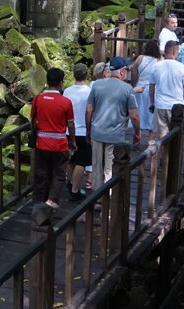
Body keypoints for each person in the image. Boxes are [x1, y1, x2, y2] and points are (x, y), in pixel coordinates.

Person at [85, 54, 140, 183]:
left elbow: (89, 109)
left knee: (97, 169)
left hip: (97, 133)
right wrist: (137, 132)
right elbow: (134, 116)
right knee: (109, 170)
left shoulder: (97, 85)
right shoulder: (128, 89)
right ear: (122, 72)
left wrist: (88, 130)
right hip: (115, 135)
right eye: (126, 70)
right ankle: (108, 193)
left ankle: (97, 193)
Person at [30, 68, 75, 211]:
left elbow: (34, 120)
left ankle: (39, 201)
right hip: (59, 144)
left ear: (47, 81)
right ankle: (52, 200)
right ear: (61, 83)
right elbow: (70, 124)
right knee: (59, 173)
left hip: (41, 143)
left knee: (42, 172)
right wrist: (73, 141)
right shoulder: (66, 102)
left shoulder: (37, 99)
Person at [150, 41, 184, 140]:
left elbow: (152, 86)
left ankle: (164, 150)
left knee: (162, 133)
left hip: (161, 104)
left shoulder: (156, 66)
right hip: (177, 104)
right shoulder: (182, 67)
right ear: (174, 51)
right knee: (177, 133)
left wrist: (152, 102)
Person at [63, 63, 92, 199]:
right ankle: (75, 190)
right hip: (83, 130)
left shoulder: (67, 91)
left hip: (68, 130)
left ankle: (71, 182)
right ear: (87, 74)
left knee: (71, 159)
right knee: (82, 161)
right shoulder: (89, 91)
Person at [130, 40, 161, 146]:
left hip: (140, 88)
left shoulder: (140, 58)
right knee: (151, 115)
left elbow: (134, 73)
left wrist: (135, 84)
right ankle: (150, 140)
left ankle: (137, 137)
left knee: (139, 113)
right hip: (153, 89)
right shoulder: (159, 60)